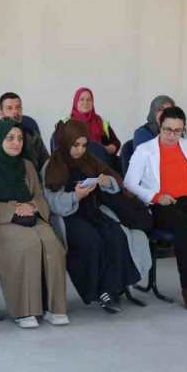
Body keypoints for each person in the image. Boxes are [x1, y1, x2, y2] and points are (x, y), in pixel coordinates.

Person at [0, 118, 67, 328]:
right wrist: (12, 208)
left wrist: (32, 205)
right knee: (26, 242)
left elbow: (40, 196)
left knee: (52, 242)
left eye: (20, 138)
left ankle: (53, 307)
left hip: (27, 215)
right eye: (10, 138)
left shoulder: (27, 165)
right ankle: (25, 310)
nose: (16, 143)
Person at [42, 119, 143, 314]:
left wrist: (106, 181)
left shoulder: (90, 160)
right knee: (91, 241)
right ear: (66, 142)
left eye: (84, 145)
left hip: (92, 210)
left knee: (116, 234)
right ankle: (100, 290)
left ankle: (113, 287)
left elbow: (114, 179)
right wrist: (74, 196)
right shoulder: (52, 165)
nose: (80, 150)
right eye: (76, 145)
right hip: (67, 216)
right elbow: (50, 200)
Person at [124, 106, 187, 311]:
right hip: (161, 204)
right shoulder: (145, 150)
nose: (172, 135)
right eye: (168, 129)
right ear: (159, 126)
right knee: (185, 227)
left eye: (178, 131)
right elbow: (130, 183)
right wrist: (156, 196)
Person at [55, 88, 123, 173]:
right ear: (76, 102)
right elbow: (59, 146)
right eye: (82, 99)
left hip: (100, 165)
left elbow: (116, 142)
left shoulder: (101, 122)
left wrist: (109, 148)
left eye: (89, 99)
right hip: (74, 165)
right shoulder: (65, 122)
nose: (86, 103)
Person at [0, 92, 50, 170]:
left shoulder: (32, 136)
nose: (15, 111)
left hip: (33, 180)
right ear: (1, 114)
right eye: (9, 108)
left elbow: (46, 165)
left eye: (18, 107)